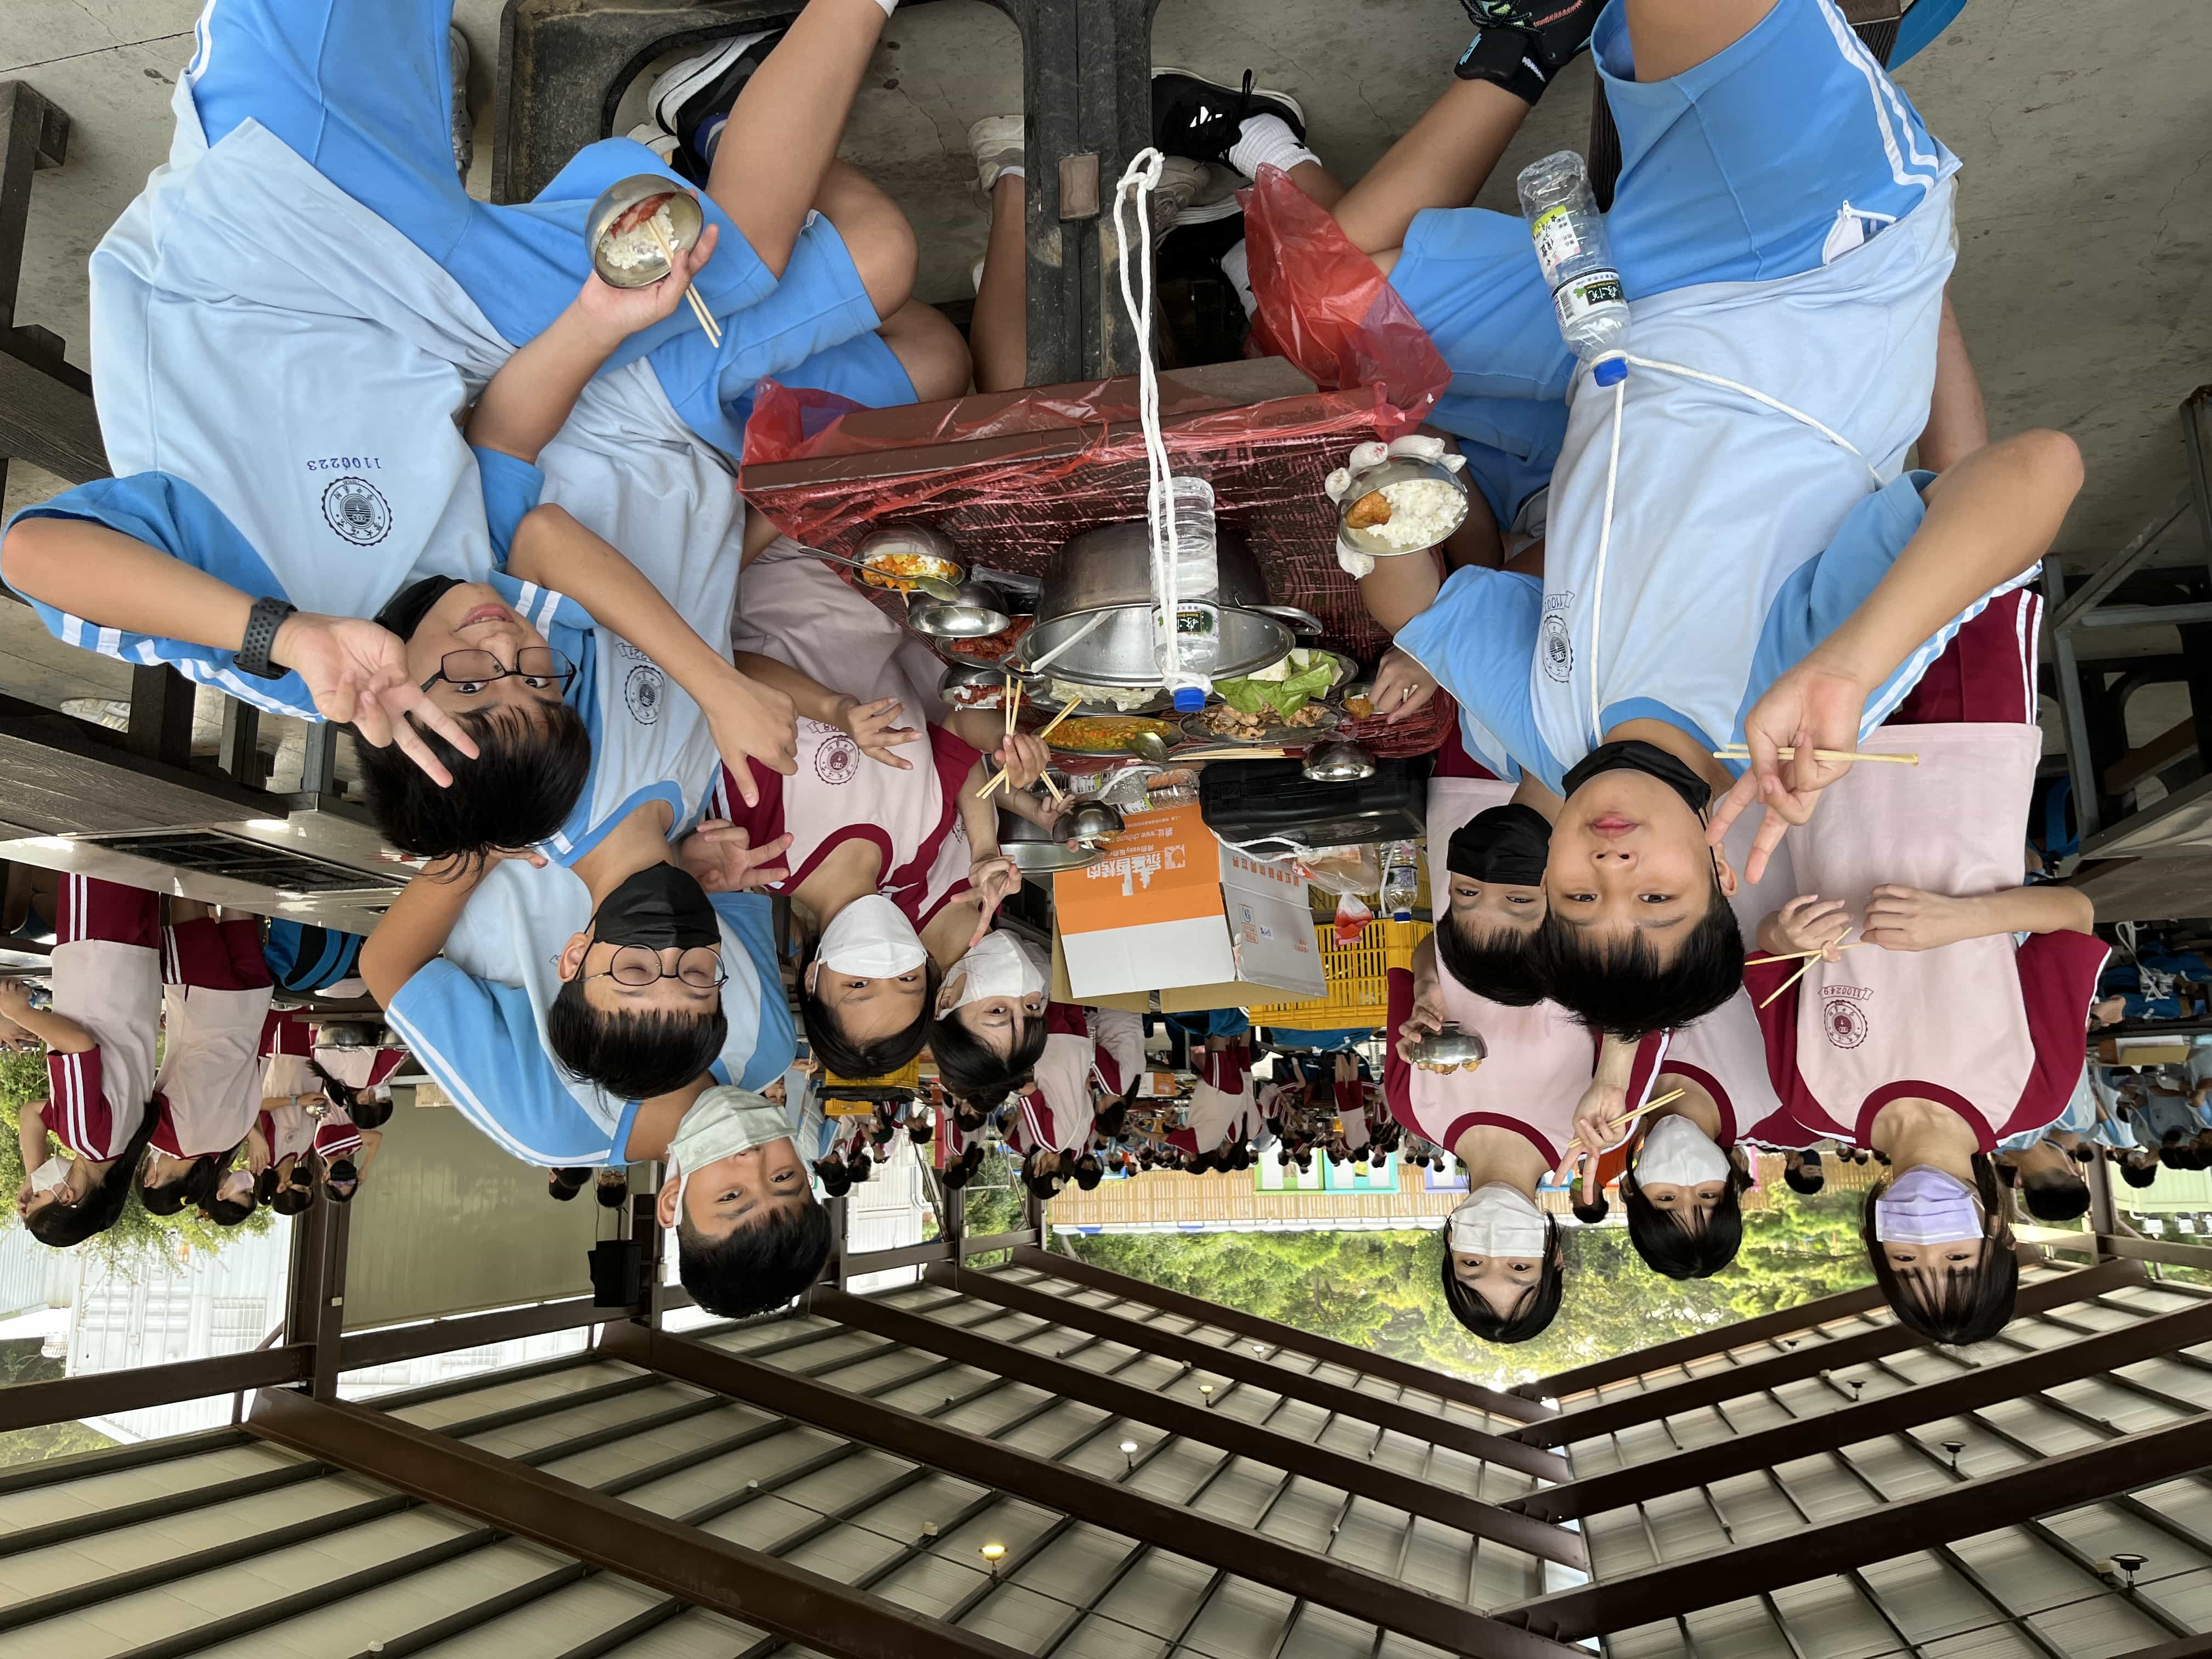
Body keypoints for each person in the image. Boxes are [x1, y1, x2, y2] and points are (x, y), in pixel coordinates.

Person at [1309, 0, 2077, 1037]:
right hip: (1800, 275)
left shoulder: (1552, 735)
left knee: (1329, 297)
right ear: (1721, 870)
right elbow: (2040, 469)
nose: (1613, 863)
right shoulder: (1795, 711)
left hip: (1617, 326)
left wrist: (1380, 523)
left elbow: (1421, 615)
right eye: (1656, 896)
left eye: (1581, 895)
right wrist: (1850, 664)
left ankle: (1534, 35)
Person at [1745, 591, 2108, 1345]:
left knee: (1815, 572)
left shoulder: (1812, 1102)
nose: (1924, 1240)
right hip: (1969, 752)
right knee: (1959, 553)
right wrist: (1964, 920)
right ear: (1996, 1232)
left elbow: (1768, 957)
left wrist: (1784, 932)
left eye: (1907, 1261)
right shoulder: (2032, 1093)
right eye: (1955, 1257)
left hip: (1825, 768)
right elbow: (2074, 915)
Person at [720, 541, 1051, 1080]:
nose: (888, 963)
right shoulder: (913, 860)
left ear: (812, 980)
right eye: (907, 981)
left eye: (858, 984)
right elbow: (959, 727)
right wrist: (1009, 753)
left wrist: (835, 711)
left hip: (791, 554)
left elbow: (723, 670)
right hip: (895, 580)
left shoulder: (761, 846)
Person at [1387, 933, 1666, 1342]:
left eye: (1471, 1264)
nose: (1494, 1247)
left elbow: (1435, 943)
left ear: (1450, 1246)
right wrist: (1612, 1077)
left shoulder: (1411, 1105)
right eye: (1519, 1268)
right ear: (1555, 1257)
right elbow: (1646, 974)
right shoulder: (1599, 1124)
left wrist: (1427, 988)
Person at [4, 876, 168, 1246]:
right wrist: (17, 1012)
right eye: (40, 1194)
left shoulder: (121, 1144)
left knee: (141, 859)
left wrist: (34, 1174)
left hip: (132, 969)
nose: (38, 1187)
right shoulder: (85, 1138)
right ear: (68, 1197)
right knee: (97, 850)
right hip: (96, 961)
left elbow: (33, 1114)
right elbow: (78, 1046)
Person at [137, 902, 278, 1218]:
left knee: (237, 898)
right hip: (201, 998)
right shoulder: (161, 1135)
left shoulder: (231, 1140)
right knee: (190, 891)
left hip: (252, 1003)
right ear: (150, 1178)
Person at [1428, 724, 1559, 1004]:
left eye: (1468, 892)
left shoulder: (1481, 745)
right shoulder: (1610, 752)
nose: (1488, 877)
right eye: (1518, 900)